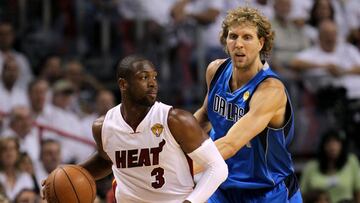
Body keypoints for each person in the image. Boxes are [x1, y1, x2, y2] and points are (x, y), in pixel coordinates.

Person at [42, 55, 228, 203]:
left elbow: (218, 167)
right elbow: (107, 159)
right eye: (144, 77)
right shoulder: (104, 126)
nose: (153, 83)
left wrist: (191, 202)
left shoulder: (175, 119)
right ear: (123, 84)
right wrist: (62, 177)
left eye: (154, 77)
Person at [193, 7, 302, 202]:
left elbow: (230, 144)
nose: (239, 44)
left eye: (247, 37)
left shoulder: (270, 90)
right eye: (233, 36)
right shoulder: (215, 70)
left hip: (268, 191)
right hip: (221, 186)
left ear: (261, 43)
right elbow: (203, 118)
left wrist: (176, 168)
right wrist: (169, 148)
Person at [300, 129, 360, 203]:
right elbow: (301, 196)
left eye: (336, 142)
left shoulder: (351, 161)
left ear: (342, 145)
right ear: (323, 146)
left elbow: (358, 191)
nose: (332, 147)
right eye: (329, 143)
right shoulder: (311, 166)